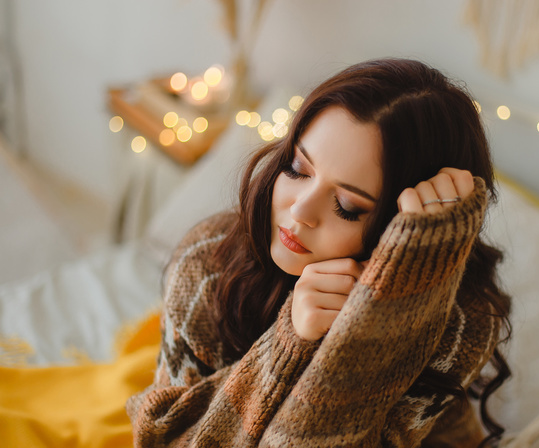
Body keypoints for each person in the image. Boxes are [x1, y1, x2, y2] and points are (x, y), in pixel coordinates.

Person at [127, 58, 511, 447]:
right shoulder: (205, 263)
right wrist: (287, 342)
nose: (300, 211)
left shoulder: (462, 323)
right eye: (297, 168)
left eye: (347, 206)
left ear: (397, 229)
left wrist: (375, 319)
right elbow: (164, 441)